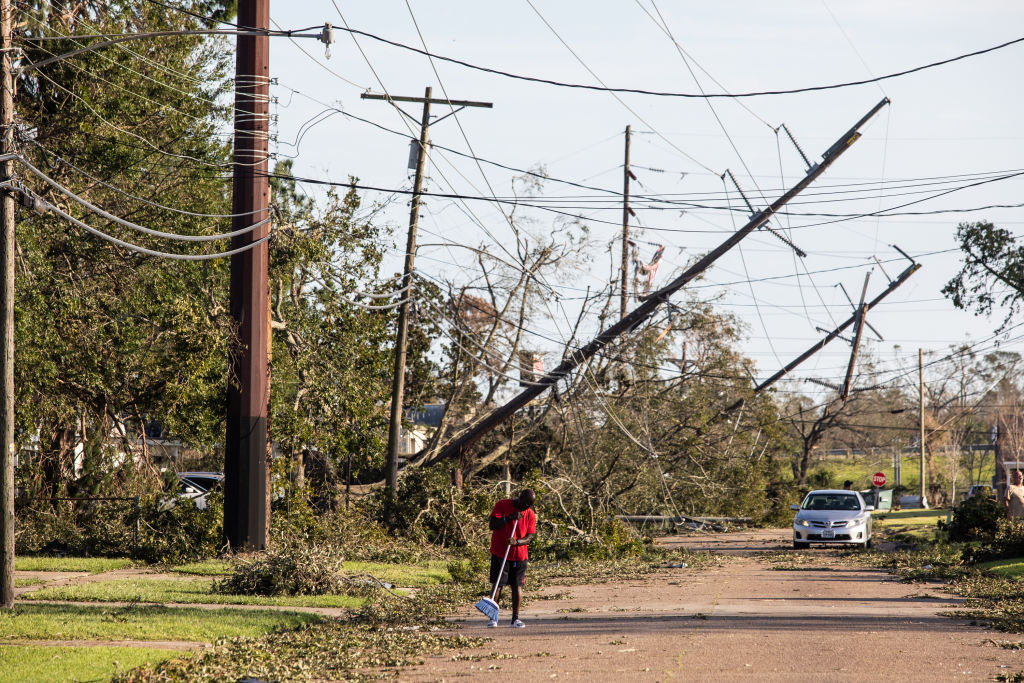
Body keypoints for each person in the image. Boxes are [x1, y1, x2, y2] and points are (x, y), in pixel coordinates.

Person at [487, 488, 536, 628]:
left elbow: (529, 537)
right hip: (500, 553)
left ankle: (515, 619)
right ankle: (493, 618)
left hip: (519, 556)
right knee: (497, 585)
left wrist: (517, 542)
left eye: (529, 505)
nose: (526, 507)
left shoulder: (530, 514)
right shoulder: (502, 505)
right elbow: (493, 525)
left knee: (517, 585)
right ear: (519, 498)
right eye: (524, 503)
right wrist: (508, 518)